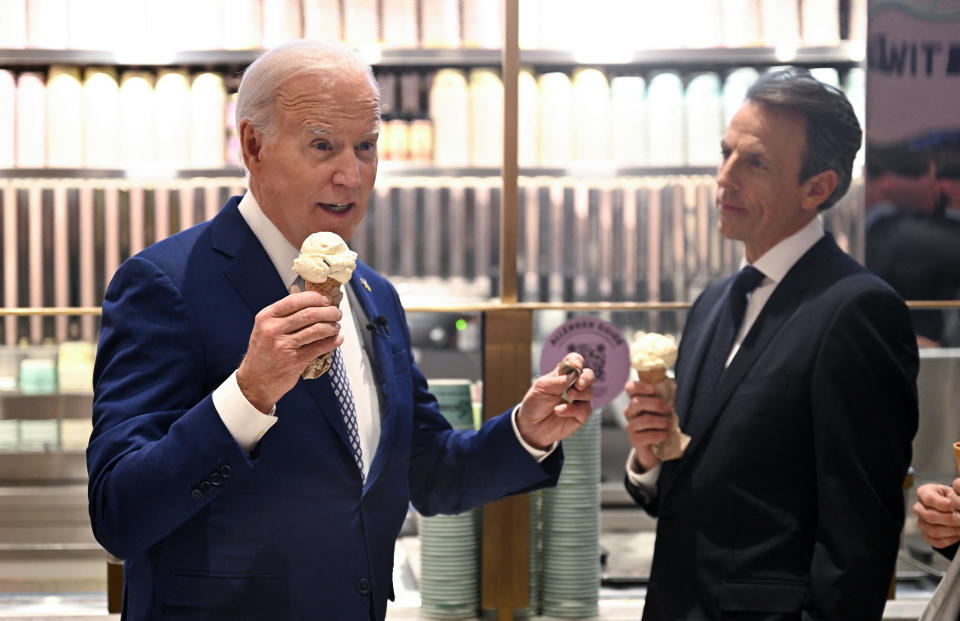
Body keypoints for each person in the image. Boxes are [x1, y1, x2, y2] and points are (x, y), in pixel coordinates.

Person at [86, 40, 595, 621]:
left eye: (366, 147)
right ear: (253, 146)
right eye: (322, 145)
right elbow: (118, 513)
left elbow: (427, 470)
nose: (351, 175)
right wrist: (247, 395)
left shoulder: (373, 294)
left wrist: (527, 432)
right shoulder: (165, 283)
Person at [621, 68, 919, 620]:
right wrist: (649, 456)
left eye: (754, 162)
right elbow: (696, 487)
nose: (724, 178)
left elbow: (859, 546)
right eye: (726, 152)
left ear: (818, 188)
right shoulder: (714, 301)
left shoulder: (858, 311)